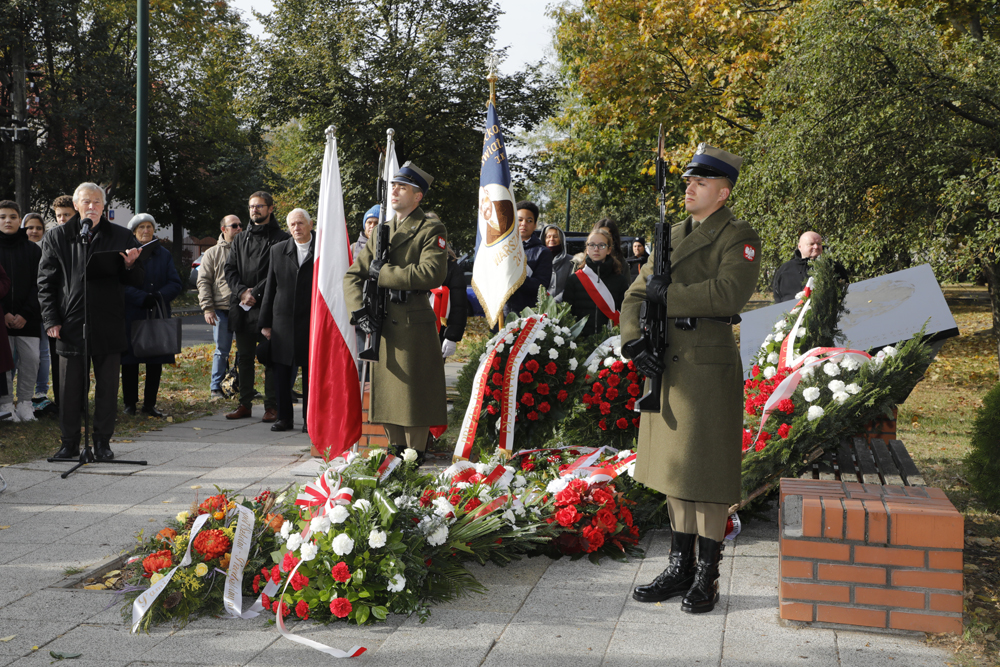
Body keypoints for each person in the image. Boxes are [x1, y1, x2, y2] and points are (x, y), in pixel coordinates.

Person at [622, 143, 760, 614]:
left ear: (722, 193)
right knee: (674, 472)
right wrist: (632, 342)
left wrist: (670, 295)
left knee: (708, 475)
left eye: (701, 182)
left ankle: (707, 574)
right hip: (665, 363)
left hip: (706, 364)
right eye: (688, 181)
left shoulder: (738, 235)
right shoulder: (672, 233)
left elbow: (728, 293)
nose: (690, 187)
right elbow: (636, 294)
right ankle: (679, 566)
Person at [344, 161, 447, 465]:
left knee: (412, 400)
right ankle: (395, 455)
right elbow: (353, 275)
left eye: (403, 187)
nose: (395, 190)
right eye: (394, 185)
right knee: (388, 401)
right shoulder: (382, 232)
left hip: (412, 325)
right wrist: (358, 310)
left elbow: (432, 273)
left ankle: (415, 457)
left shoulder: (430, 229)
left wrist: (385, 273)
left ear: (418, 197)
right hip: (382, 326)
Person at [37, 183, 144, 461]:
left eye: (98, 202)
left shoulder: (122, 236)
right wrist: (51, 319)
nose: (93, 207)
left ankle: (102, 443)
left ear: (104, 206)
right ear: (76, 206)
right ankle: (69, 442)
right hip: (70, 324)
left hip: (108, 322)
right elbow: (46, 283)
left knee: (108, 388)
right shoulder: (57, 237)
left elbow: (137, 282)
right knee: (69, 389)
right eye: (87, 202)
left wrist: (131, 265)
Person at [224, 191, 289, 422]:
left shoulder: (282, 238)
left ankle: (271, 406)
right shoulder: (240, 239)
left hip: (268, 306)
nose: (254, 210)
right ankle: (245, 404)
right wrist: (241, 291)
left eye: (259, 206)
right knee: (244, 357)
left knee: (269, 356)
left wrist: (255, 292)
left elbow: (278, 271)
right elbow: (229, 269)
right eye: (251, 206)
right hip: (242, 306)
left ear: (270, 208)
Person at [121, 214, 182, 417]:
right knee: (130, 361)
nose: (146, 230)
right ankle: (130, 404)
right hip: (132, 313)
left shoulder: (163, 254)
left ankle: (150, 404)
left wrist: (158, 296)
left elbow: (175, 283)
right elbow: (119, 285)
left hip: (156, 311)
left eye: (149, 227)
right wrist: (140, 297)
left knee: (155, 360)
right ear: (134, 231)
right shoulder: (125, 253)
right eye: (141, 227)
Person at [260, 208, 314, 433]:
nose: (296, 228)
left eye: (300, 223)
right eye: (292, 224)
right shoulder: (278, 250)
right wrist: (265, 323)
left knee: (311, 372)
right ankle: (284, 418)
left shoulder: (323, 249)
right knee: (281, 371)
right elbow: (270, 288)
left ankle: (310, 420)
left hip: (312, 319)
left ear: (310, 225)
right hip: (282, 321)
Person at [0, 201, 41, 421]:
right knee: (4, 364)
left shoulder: (32, 250)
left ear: (20, 220)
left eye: (13, 216)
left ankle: (25, 403)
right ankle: (6, 405)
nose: (8, 220)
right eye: (3, 216)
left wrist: (26, 313)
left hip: (29, 318)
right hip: (1, 318)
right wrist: (4, 312)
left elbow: (40, 284)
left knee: (32, 360)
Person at [198, 215, 242, 398]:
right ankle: (216, 387)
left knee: (244, 351)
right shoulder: (212, 253)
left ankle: (240, 385)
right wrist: (207, 308)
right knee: (222, 350)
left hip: (243, 308)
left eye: (240, 225)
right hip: (221, 309)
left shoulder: (245, 250)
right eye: (234, 226)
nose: (239, 228)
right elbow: (203, 281)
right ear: (224, 229)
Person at [561, 228, 630, 337]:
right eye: (592, 245)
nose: (596, 249)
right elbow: (567, 315)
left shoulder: (620, 280)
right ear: (587, 249)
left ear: (608, 250)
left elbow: (625, 312)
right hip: (580, 343)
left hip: (609, 342)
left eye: (602, 245)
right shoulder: (574, 279)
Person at [21, 213, 51, 407]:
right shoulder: (20, 250)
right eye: (30, 227)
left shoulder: (48, 249)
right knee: (18, 355)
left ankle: (41, 392)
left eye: (38, 228)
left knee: (43, 353)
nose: (34, 231)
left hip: (43, 309)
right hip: (25, 310)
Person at [503, 201, 552, 316]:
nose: (523, 224)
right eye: (520, 220)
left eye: (529, 221)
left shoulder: (542, 252)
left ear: (535, 225)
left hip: (527, 316)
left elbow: (541, 287)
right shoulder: (503, 250)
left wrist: (516, 276)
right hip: (502, 314)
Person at [771, 231, 848, 302]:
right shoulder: (785, 269)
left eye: (819, 244)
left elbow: (845, 292)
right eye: (811, 244)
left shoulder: (833, 267)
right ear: (800, 247)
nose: (816, 247)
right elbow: (777, 296)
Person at [540, 223, 571, 301]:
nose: (551, 239)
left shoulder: (571, 261)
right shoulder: (538, 259)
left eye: (555, 236)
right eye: (548, 237)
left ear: (561, 239)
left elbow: (571, 286)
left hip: (562, 307)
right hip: (539, 307)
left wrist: (554, 302)